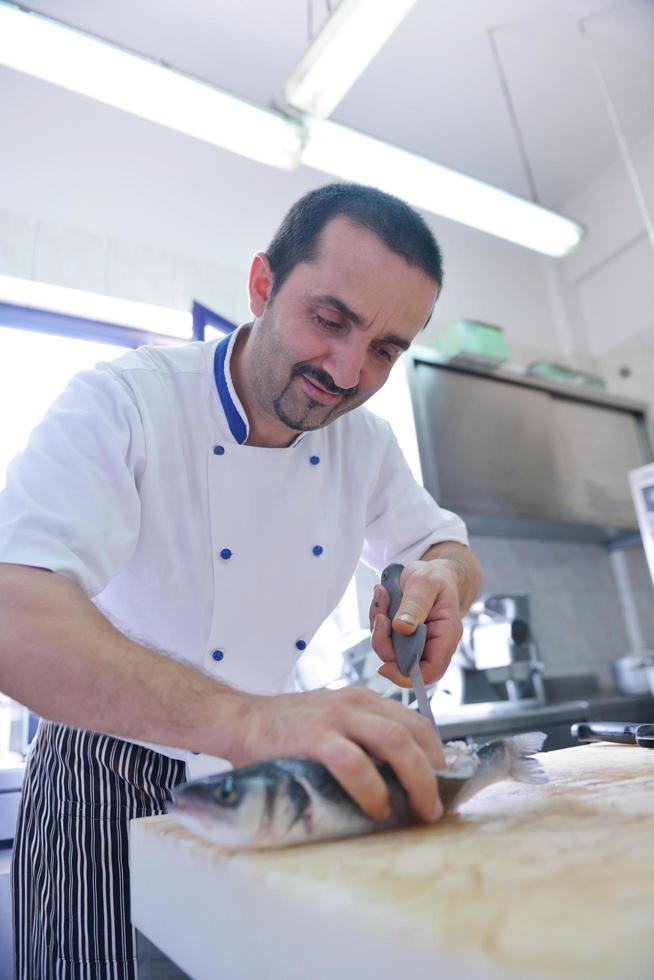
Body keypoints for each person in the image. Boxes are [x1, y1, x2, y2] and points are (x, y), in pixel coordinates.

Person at [0, 182, 482, 978]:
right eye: (330, 320)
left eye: (387, 349)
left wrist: (440, 577)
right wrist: (257, 723)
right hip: (104, 785)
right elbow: (14, 613)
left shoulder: (364, 445)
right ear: (262, 286)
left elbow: (447, 543)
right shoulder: (124, 403)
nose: (347, 370)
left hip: (260, 787)